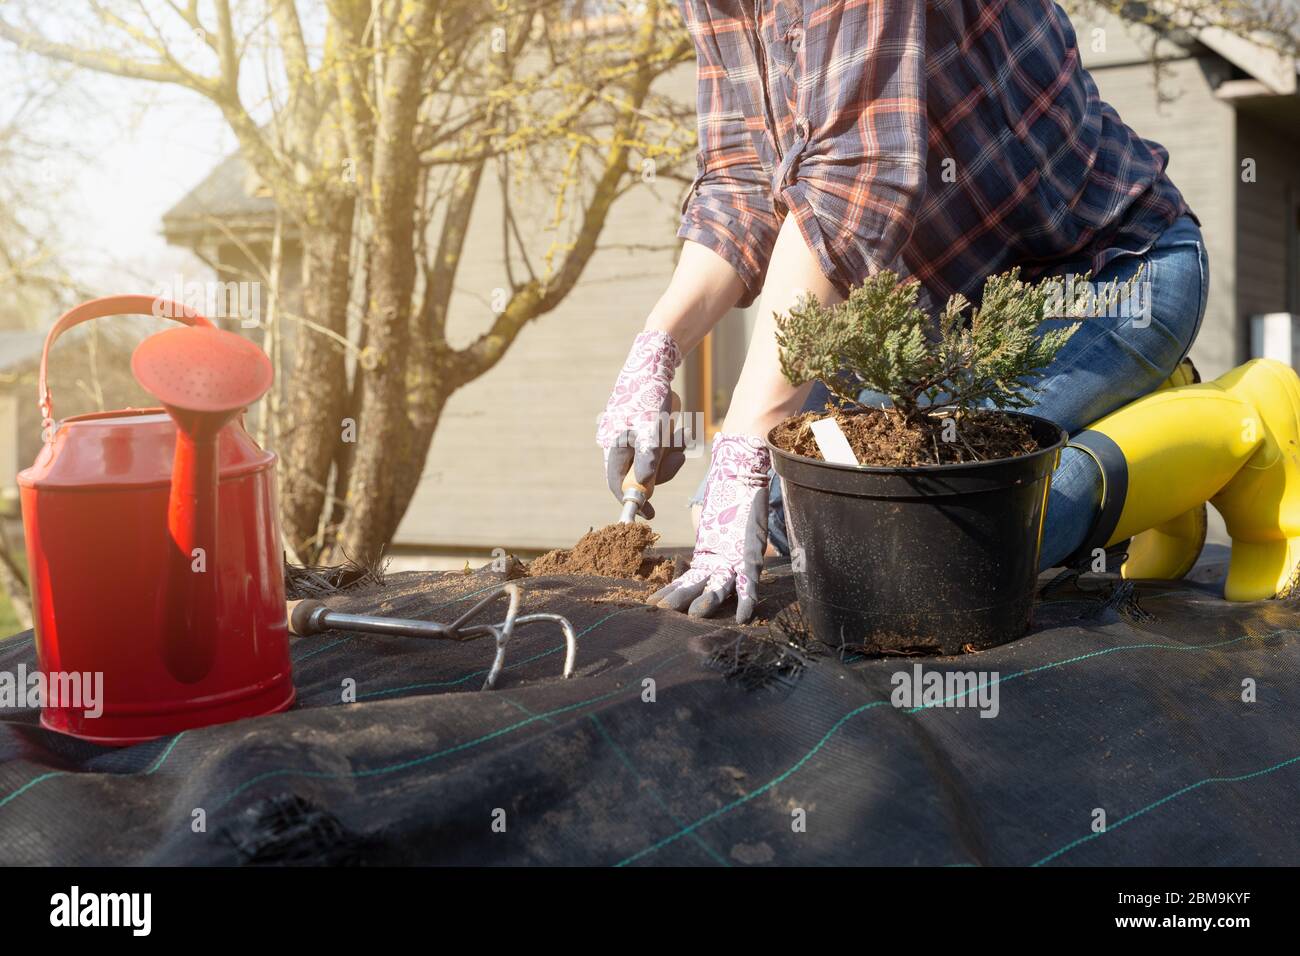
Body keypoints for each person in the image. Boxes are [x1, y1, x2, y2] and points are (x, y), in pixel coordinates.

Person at [597, 0, 1300, 624]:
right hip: (954, 330)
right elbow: (741, 183)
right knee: (803, 512)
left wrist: (747, 438)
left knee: (932, 545)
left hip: (1108, 277)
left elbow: (856, 175)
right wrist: (655, 352)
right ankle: (1144, 426)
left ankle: (1240, 427)